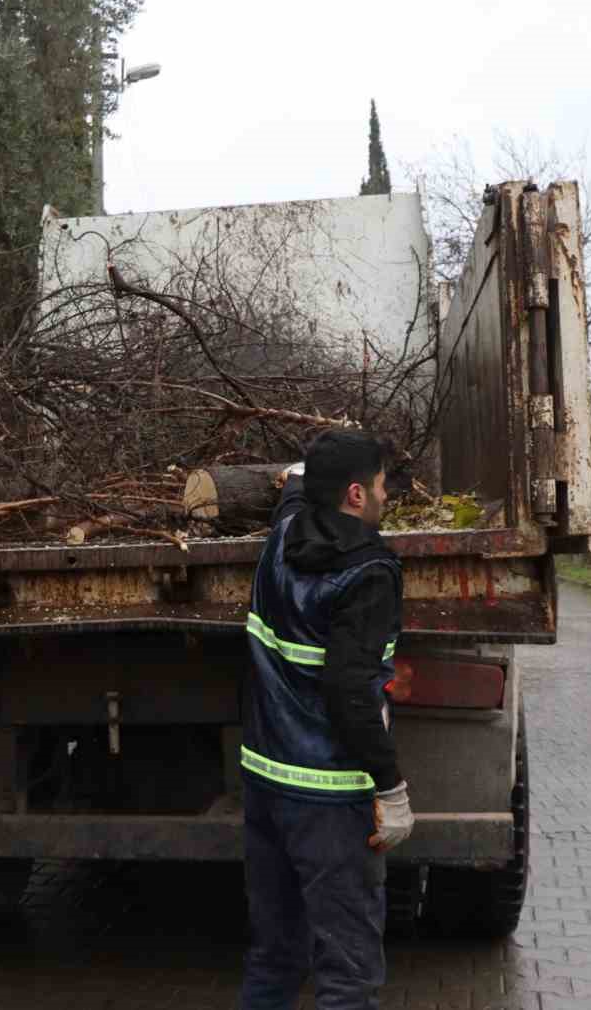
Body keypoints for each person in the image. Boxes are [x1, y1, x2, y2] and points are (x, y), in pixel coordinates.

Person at [238, 429, 415, 1010]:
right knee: (348, 976)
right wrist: (390, 788)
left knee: (274, 957)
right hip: (330, 802)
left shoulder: (283, 535)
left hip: (266, 788)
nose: (388, 498)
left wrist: (303, 468)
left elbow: (294, 488)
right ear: (358, 496)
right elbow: (350, 692)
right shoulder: (368, 573)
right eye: (384, 487)